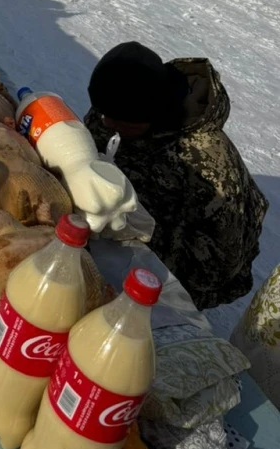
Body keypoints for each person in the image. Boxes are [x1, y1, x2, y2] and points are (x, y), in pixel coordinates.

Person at [85, 41, 268, 311]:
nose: (107, 123)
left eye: (119, 120)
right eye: (104, 114)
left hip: (197, 262)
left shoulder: (209, 167)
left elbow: (219, 268)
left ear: (151, 115)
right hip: (141, 211)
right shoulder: (118, 111)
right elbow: (93, 143)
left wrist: (137, 237)